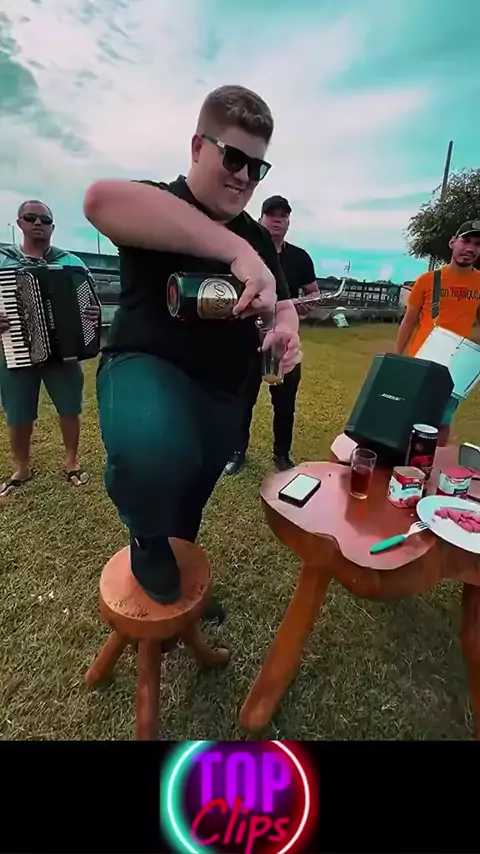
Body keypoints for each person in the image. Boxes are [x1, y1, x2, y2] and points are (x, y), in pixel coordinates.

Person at [84, 85, 301, 621]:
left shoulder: (257, 238)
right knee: (155, 452)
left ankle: (176, 560)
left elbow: (282, 304)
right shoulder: (158, 202)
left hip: (225, 389)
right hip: (146, 366)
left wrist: (285, 330)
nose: (244, 177)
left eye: (257, 167)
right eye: (234, 158)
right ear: (198, 147)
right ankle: (145, 536)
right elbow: (99, 201)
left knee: (192, 492)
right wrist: (234, 251)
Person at [0, 200, 101, 498]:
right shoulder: (4, 261)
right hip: (16, 347)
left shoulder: (71, 262)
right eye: (31, 218)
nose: (38, 223)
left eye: (44, 220)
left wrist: (93, 312)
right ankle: (21, 468)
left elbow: (92, 301)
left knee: (70, 407)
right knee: (18, 412)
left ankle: (71, 462)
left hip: (63, 350)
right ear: (20, 222)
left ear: (52, 227)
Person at [224, 195, 318, 475]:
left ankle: (282, 455)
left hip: (282, 341)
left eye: (283, 215)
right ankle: (236, 452)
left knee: (285, 404)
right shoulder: (244, 252)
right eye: (271, 214)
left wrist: (305, 305)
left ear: (289, 222)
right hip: (246, 341)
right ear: (261, 218)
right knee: (243, 401)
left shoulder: (300, 257)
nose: (277, 220)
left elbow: (312, 292)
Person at [396, 220, 480, 445]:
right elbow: (408, 321)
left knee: (442, 420)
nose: (470, 248)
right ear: (453, 242)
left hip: (457, 367)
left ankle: (434, 460)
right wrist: (398, 357)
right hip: (422, 360)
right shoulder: (428, 280)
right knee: (410, 414)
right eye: (466, 241)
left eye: (477, 244)